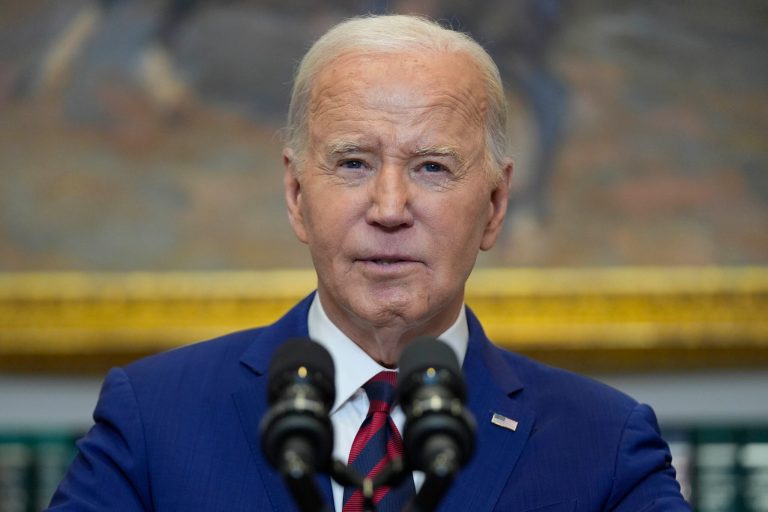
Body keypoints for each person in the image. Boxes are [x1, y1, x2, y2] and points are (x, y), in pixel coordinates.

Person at [48, 14, 690, 511]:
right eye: (353, 162)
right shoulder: (155, 420)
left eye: (432, 167)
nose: (389, 207)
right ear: (297, 197)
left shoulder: (603, 444)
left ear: (494, 206)